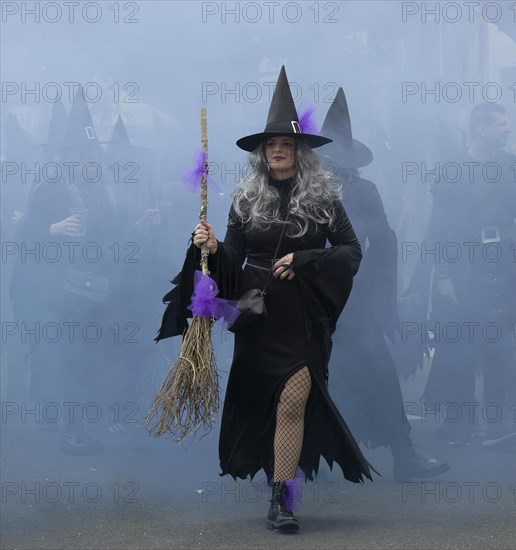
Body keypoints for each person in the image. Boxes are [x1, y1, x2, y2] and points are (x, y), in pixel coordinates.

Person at [157, 66, 375, 532]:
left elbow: (351, 251)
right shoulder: (245, 198)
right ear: (262, 153)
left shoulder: (324, 199)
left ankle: (281, 499)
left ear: (300, 152)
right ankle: (275, 481)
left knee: (294, 401)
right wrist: (212, 248)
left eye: (286, 145)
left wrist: (306, 258)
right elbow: (233, 257)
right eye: (270, 145)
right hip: (258, 317)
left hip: (303, 317)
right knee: (267, 403)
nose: (277, 151)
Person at [321, 88, 450, 482]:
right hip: (310, 302)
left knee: (379, 374)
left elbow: (384, 244)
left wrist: (382, 304)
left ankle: (404, 454)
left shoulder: (363, 191)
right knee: (308, 378)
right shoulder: (297, 193)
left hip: (357, 303)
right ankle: (302, 461)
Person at [421, 103, 516, 447]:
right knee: (461, 346)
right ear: (482, 129)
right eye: (502, 124)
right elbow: (438, 229)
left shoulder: (512, 165)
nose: (509, 130)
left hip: (500, 263)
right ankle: (459, 425)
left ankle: (499, 426)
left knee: (499, 344)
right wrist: (443, 278)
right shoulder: (452, 168)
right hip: (462, 264)